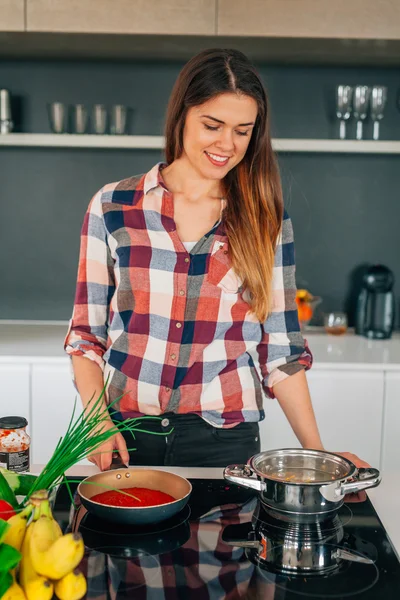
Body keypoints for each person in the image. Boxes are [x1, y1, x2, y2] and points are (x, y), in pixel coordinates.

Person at [64, 48, 367, 472]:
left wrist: (317, 457)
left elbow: (281, 353)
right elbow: (86, 336)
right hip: (125, 434)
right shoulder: (113, 206)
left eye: (242, 131)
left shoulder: (265, 220)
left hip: (225, 442)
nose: (227, 144)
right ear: (182, 115)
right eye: (213, 125)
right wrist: (97, 421)